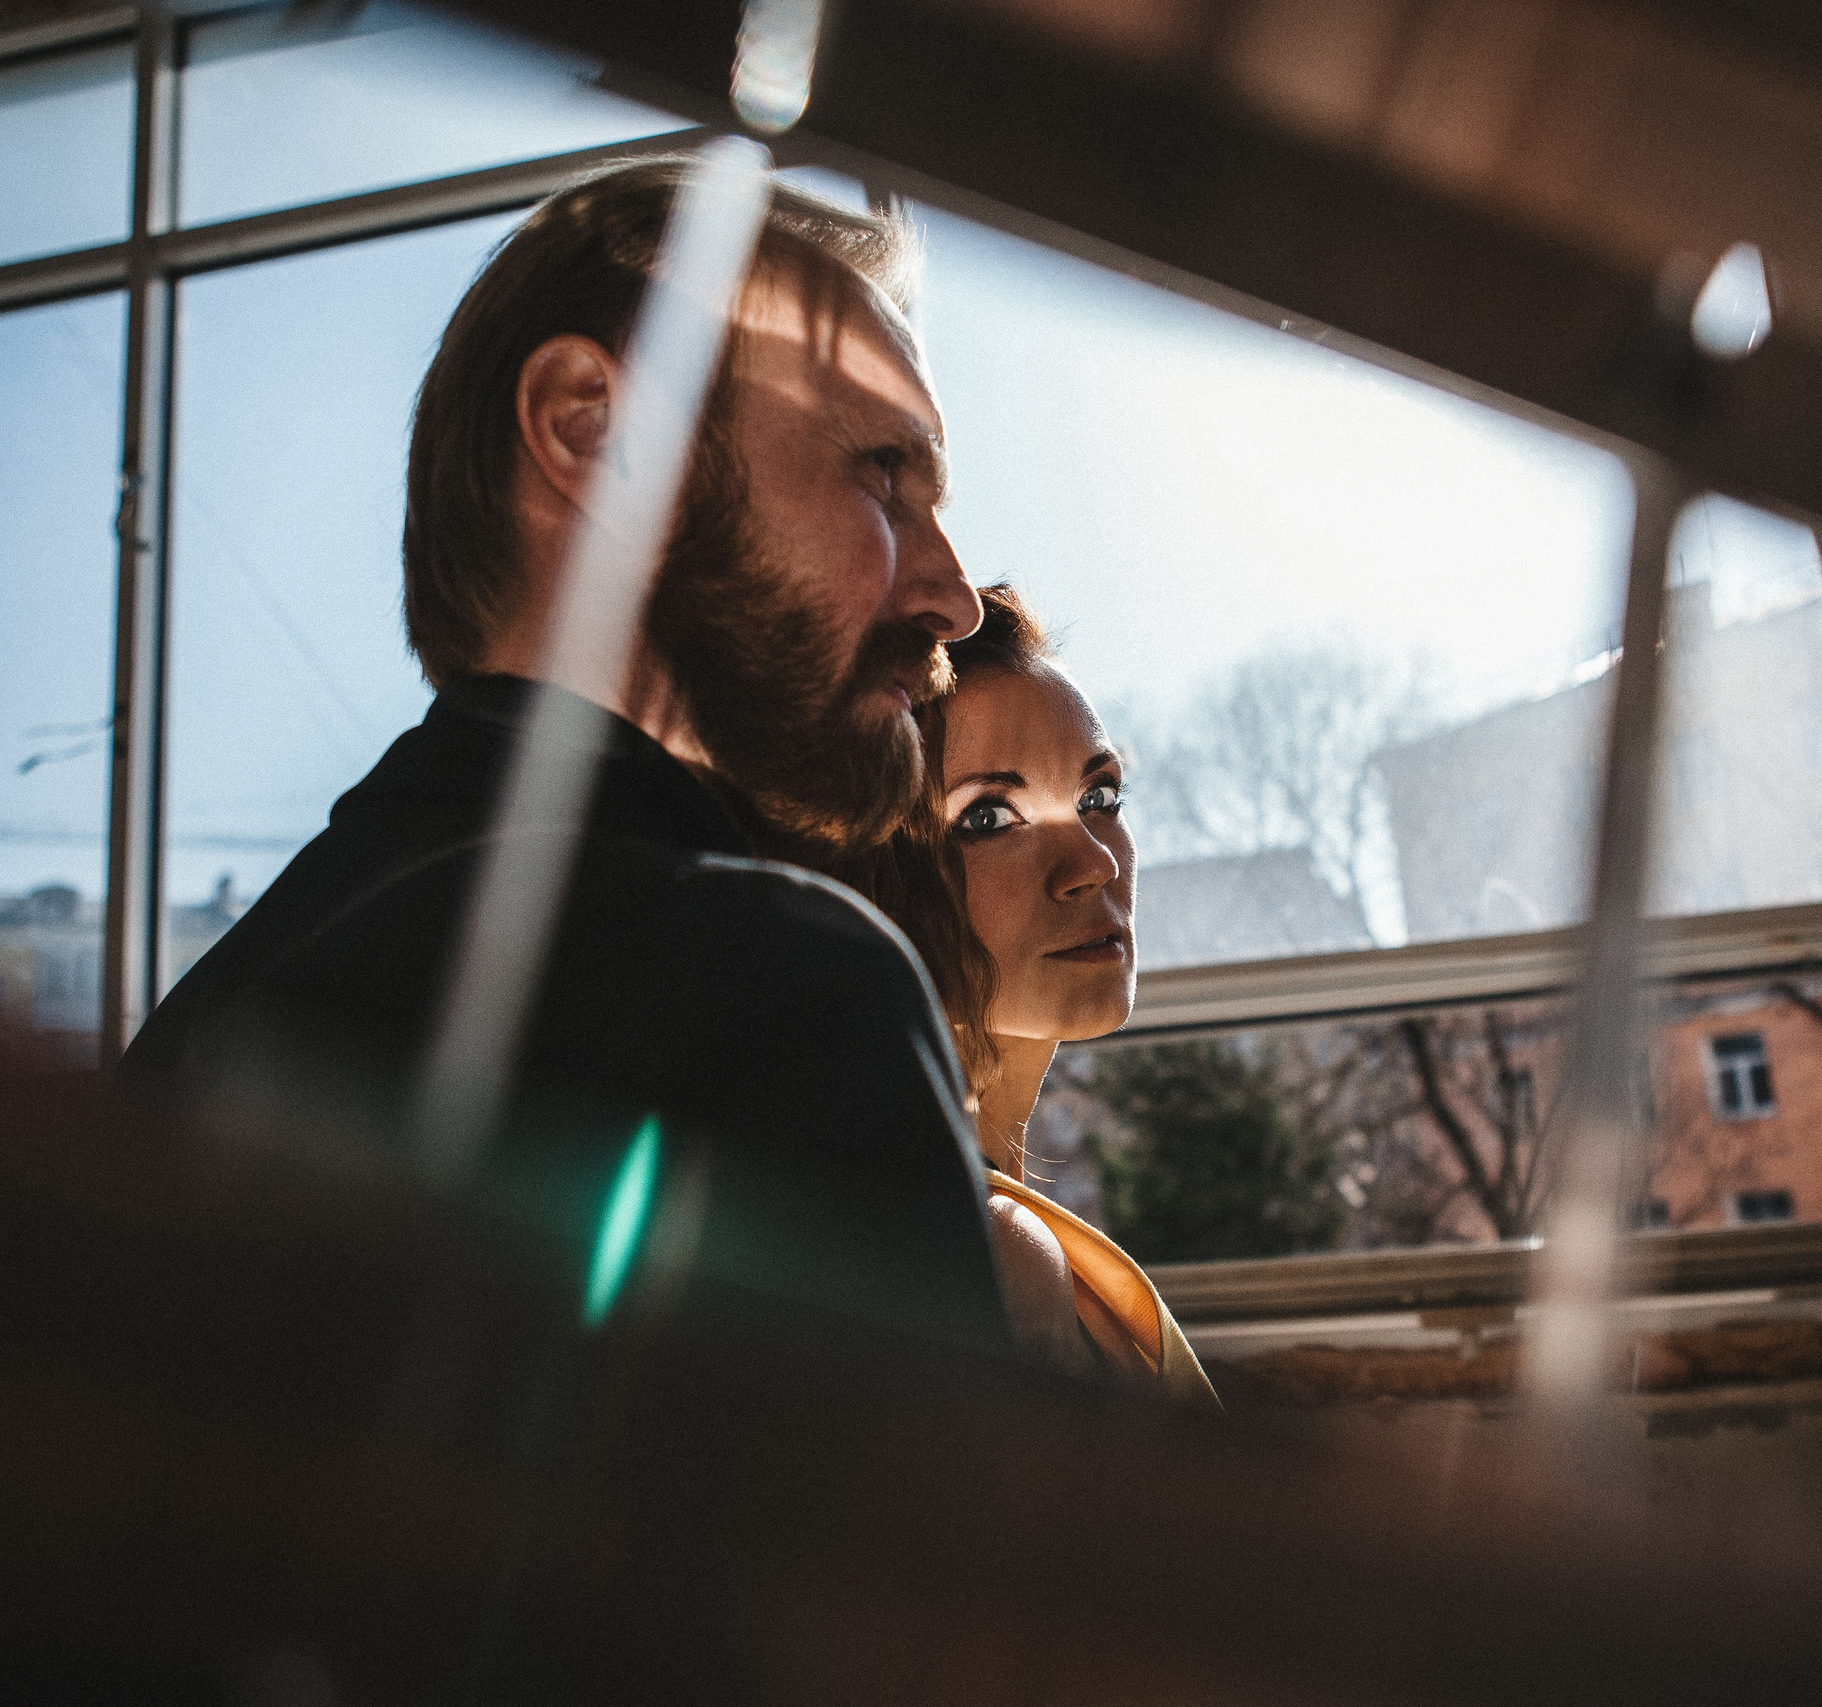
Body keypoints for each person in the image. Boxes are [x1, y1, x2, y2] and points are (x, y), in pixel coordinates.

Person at [120, 156, 1010, 1352]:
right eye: (883, 474)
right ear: (594, 432)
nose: (955, 597)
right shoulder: (771, 984)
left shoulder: (194, 1050)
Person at [831, 585, 1217, 1405]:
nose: (1096, 864)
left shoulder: (984, 1224)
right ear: (872, 876)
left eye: (1099, 799)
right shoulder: (996, 1257)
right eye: (988, 817)